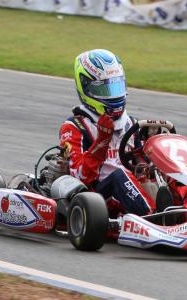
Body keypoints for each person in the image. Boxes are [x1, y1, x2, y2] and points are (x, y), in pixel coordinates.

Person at [59, 49, 155, 216]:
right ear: (87, 88)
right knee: (119, 176)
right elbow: (80, 177)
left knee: (169, 173)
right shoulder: (75, 126)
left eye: (117, 87)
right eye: (105, 90)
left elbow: (139, 160)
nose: (114, 95)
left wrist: (146, 163)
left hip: (132, 190)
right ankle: (155, 218)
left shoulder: (130, 123)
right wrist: (102, 141)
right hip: (97, 199)